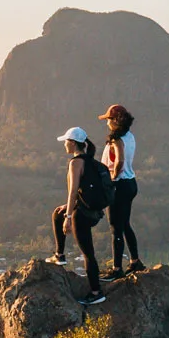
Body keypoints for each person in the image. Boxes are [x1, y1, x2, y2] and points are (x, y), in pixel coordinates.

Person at [46, 126, 108, 306]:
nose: (64, 144)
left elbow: (73, 191)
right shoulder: (90, 161)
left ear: (73, 143)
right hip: (92, 212)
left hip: (82, 216)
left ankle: (96, 292)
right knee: (57, 213)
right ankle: (59, 255)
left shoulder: (76, 163)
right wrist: (66, 210)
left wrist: (69, 217)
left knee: (88, 253)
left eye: (66, 141)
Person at [98, 104, 144, 278]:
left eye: (109, 120)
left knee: (115, 227)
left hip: (120, 185)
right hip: (130, 183)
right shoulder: (129, 136)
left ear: (116, 120)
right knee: (125, 225)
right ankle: (135, 261)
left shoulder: (116, 139)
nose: (107, 123)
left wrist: (112, 179)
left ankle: (117, 269)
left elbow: (120, 161)